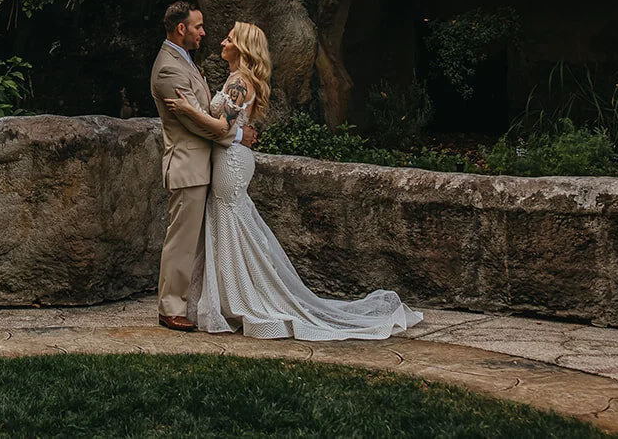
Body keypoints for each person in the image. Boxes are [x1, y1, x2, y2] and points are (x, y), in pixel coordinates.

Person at [165, 21, 424, 341]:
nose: (222, 42)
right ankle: (231, 298)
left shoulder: (240, 83)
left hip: (231, 163)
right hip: (228, 159)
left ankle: (247, 299)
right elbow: (227, 128)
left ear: (241, 47)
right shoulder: (235, 79)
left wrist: (188, 110)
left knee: (232, 226)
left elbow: (221, 130)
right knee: (229, 225)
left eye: (229, 39)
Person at [148, 2, 257, 332]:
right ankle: (170, 308)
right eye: (198, 27)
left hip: (203, 165)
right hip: (187, 164)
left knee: (196, 241)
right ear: (182, 29)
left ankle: (200, 302)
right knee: (181, 240)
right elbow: (199, 123)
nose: (204, 32)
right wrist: (238, 133)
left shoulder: (184, 61)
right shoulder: (168, 68)